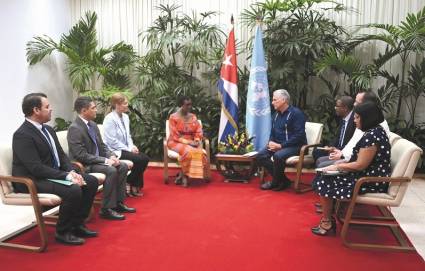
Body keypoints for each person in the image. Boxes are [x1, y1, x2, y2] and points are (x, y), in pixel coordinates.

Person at [12, 93, 99, 245]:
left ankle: (77, 224)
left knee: (90, 181)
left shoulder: (49, 130)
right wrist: (66, 176)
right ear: (36, 110)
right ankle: (63, 232)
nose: (51, 109)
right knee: (73, 189)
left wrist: (71, 171)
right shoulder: (22, 135)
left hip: (51, 175)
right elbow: (36, 168)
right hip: (32, 180)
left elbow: (62, 156)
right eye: (47, 107)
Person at [311, 102, 391, 236]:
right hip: (365, 174)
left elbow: (360, 165)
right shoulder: (374, 131)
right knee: (324, 175)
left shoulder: (372, 136)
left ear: (367, 118)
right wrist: (341, 164)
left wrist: (338, 166)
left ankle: (327, 222)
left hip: (370, 180)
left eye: (357, 117)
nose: (354, 120)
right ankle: (328, 217)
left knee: (324, 179)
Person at [68, 96, 135, 221]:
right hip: (85, 165)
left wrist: (111, 156)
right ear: (84, 110)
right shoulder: (75, 128)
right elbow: (81, 155)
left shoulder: (92, 125)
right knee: (111, 170)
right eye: (93, 108)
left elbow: (102, 146)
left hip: (97, 161)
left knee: (122, 166)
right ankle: (106, 209)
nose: (96, 110)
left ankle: (118, 203)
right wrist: (105, 161)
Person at [257, 89, 307, 191]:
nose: (272, 102)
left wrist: (281, 146)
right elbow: (273, 132)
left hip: (296, 146)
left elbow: (299, 136)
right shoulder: (275, 115)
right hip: (279, 146)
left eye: (275, 100)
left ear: (283, 100)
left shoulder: (296, 114)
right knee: (261, 155)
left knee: (278, 156)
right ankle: (283, 180)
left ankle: (274, 182)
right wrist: (271, 142)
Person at [103, 93, 149, 197]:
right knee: (139, 159)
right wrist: (128, 149)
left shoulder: (125, 117)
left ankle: (131, 182)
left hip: (125, 148)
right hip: (114, 150)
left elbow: (128, 135)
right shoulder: (109, 119)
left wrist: (132, 146)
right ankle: (131, 183)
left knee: (145, 158)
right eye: (124, 103)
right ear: (117, 105)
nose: (127, 105)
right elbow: (112, 141)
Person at [326, 91, 390, 164]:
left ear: (367, 105)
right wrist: (342, 152)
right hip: (352, 158)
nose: (354, 104)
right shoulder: (364, 120)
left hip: (364, 167)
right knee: (321, 161)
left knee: (324, 165)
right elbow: (353, 142)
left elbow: (361, 163)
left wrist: (340, 162)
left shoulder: (375, 127)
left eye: (357, 102)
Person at [167, 96, 207, 186]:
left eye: (190, 104)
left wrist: (196, 140)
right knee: (189, 151)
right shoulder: (173, 117)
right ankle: (185, 176)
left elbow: (198, 131)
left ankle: (182, 174)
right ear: (181, 105)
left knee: (200, 152)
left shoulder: (193, 117)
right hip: (175, 142)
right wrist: (189, 143)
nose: (190, 107)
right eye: (187, 105)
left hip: (191, 142)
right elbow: (174, 135)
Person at [313, 96, 355, 168]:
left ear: (345, 108)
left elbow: (352, 142)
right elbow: (337, 137)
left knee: (321, 162)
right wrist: (330, 147)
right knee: (317, 151)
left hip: (345, 150)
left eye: (337, 106)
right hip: (337, 148)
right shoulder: (343, 119)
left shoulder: (355, 120)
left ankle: (326, 170)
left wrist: (338, 150)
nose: (335, 108)